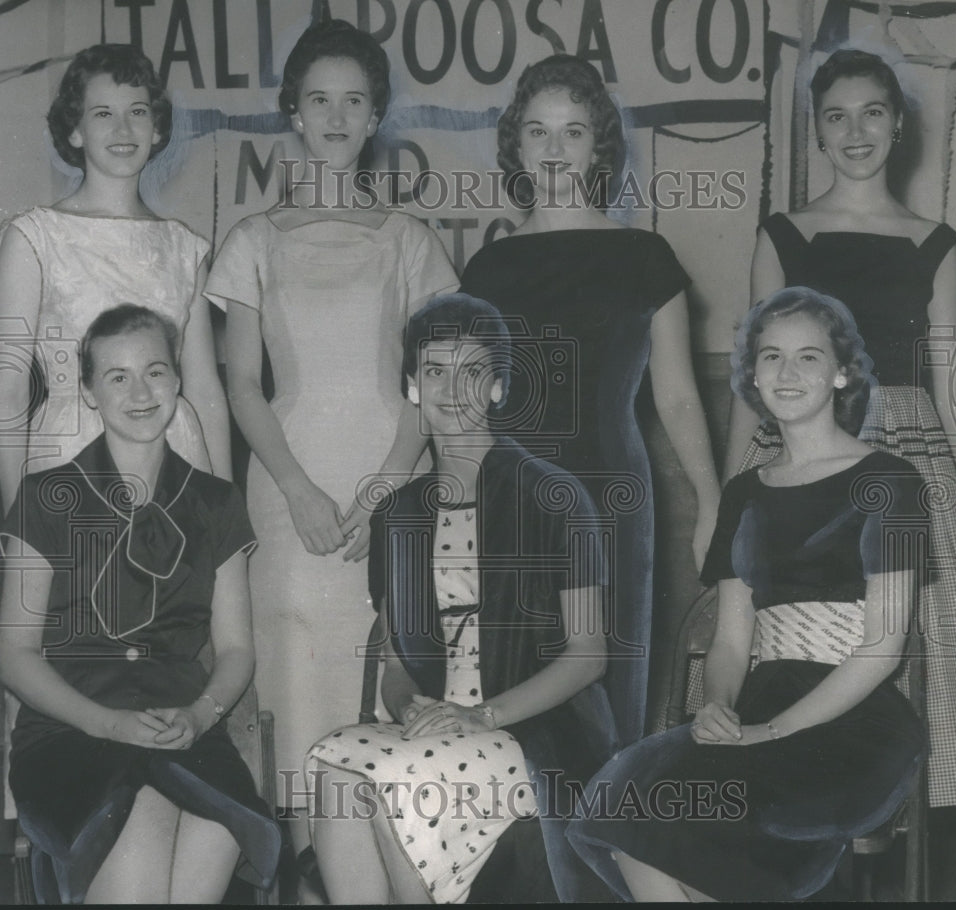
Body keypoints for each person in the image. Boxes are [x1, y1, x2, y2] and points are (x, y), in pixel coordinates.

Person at [567, 287, 927, 901]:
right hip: (759, 701)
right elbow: (733, 640)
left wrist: (775, 733)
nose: (786, 373)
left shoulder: (889, 481)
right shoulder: (743, 492)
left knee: (726, 826)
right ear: (752, 374)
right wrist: (717, 705)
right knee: (626, 801)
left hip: (854, 718)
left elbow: (883, 649)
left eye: (808, 357)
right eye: (770, 357)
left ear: (842, 373)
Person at [204, 18, 458, 858]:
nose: (338, 116)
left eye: (356, 100)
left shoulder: (411, 243)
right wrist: (299, 490)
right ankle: (297, 862)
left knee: (380, 668)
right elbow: (243, 384)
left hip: (389, 480)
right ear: (294, 114)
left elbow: (431, 379)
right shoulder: (251, 241)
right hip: (287, 490)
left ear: (376, 114)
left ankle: (373, 870)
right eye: (321, 99)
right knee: (292, 674)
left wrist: (388, 486)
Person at [724, 48, 956, 807]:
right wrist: (726, 502)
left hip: (909, 457)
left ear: (899, 124)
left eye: (872, 112)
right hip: (798, 455)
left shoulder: (935, 244)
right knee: (787, 642)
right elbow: (753, 384)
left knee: (906, 649)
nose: (855, 131)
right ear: (816, 130)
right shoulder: (784, 236)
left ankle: (885, 818)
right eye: (836, 116)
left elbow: (951, 385)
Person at [305, 293, 618, 903]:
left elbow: (589, 655)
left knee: (390, 779)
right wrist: (412, 709)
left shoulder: (554, 496)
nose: (453, 389)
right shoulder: (397, 516)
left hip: (534, 730)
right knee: (335, 768)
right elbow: (396, 665)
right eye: (435, 371)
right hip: (435, 731)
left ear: (499, 388)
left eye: (473, 371)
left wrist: (482, 715)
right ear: (412, 387)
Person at [459, 54, 720, 745]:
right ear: (515, 144)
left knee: (610, 699)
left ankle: (605, 846)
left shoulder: (645, 256)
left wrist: (711, 497)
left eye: (573, 132)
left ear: (598, 146)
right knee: (513, 693)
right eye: (538, 132)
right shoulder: (486, 269)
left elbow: (679, 396)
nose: (554, 149)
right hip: (511, 498)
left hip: (612, 499)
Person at [0, 305, 280, 904]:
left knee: (217, 826)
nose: (140, 391)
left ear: (178, 380)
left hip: (184, 731)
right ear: (89, 392)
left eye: (155, 371)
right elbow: (14, 653)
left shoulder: (216, 502)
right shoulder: (44, 497)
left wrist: (202, 716)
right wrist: (109, 723)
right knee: (146, 824)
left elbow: (235, 649)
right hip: (72, 731)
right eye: (117, 376)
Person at [0, 43, 229, 516]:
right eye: (103, 113)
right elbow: (9, 389)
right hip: (69, 467)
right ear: (75, 130)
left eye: (137, 112)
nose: (123, 129)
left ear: (158, 127)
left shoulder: (185, 247)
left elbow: (205, 390)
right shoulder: (33, 238)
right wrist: (14, 514)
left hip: (174, 462)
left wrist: (227, 513)